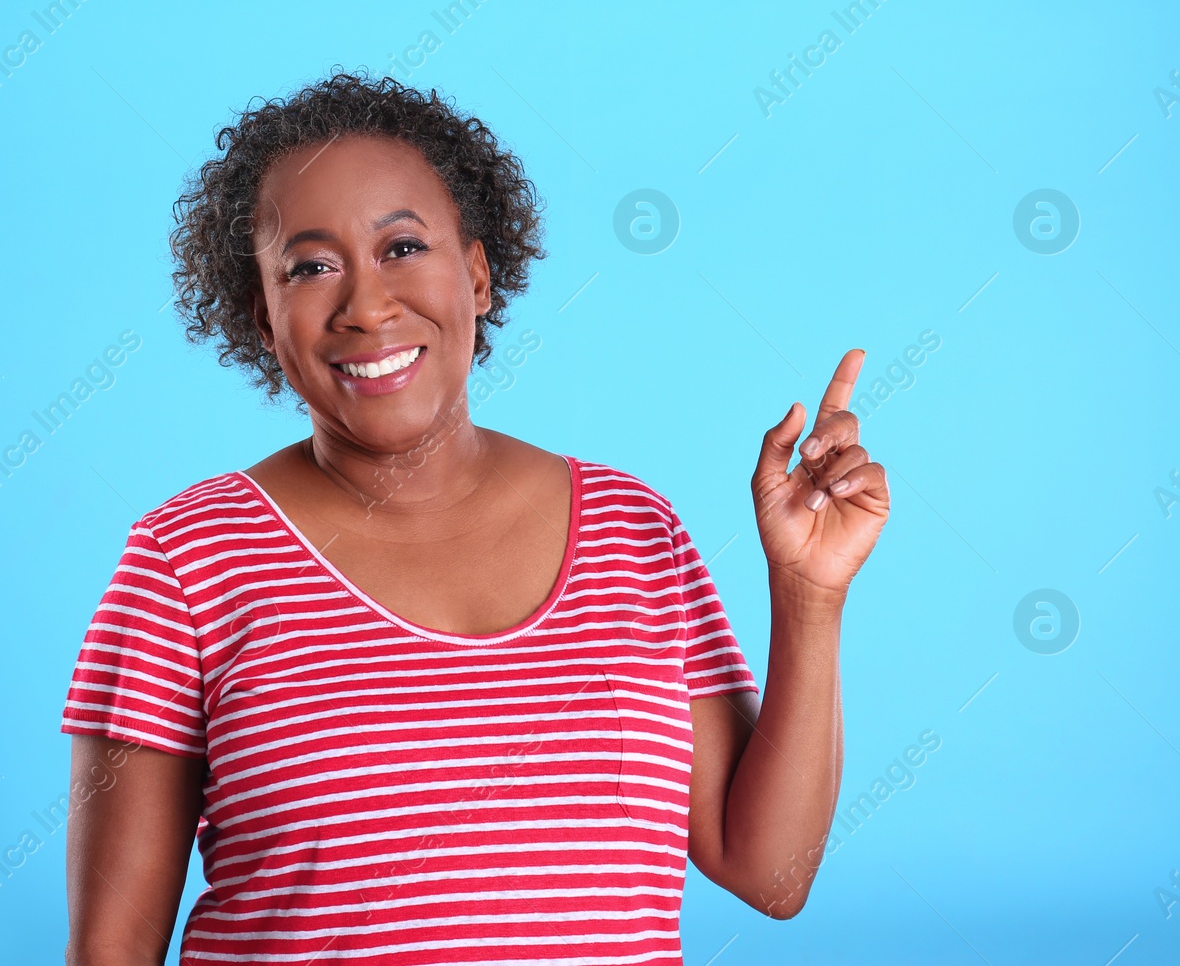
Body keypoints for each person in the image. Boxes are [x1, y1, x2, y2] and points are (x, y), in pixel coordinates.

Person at [60, 71, 889, 965]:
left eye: (403, 247)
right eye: (310, 267)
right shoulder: (188, 560)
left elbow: (771, 873)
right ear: (264, 318)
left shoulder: (631, 528)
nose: (367, 306)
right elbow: (112, 948)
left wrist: (808, 593)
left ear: (480, 275)